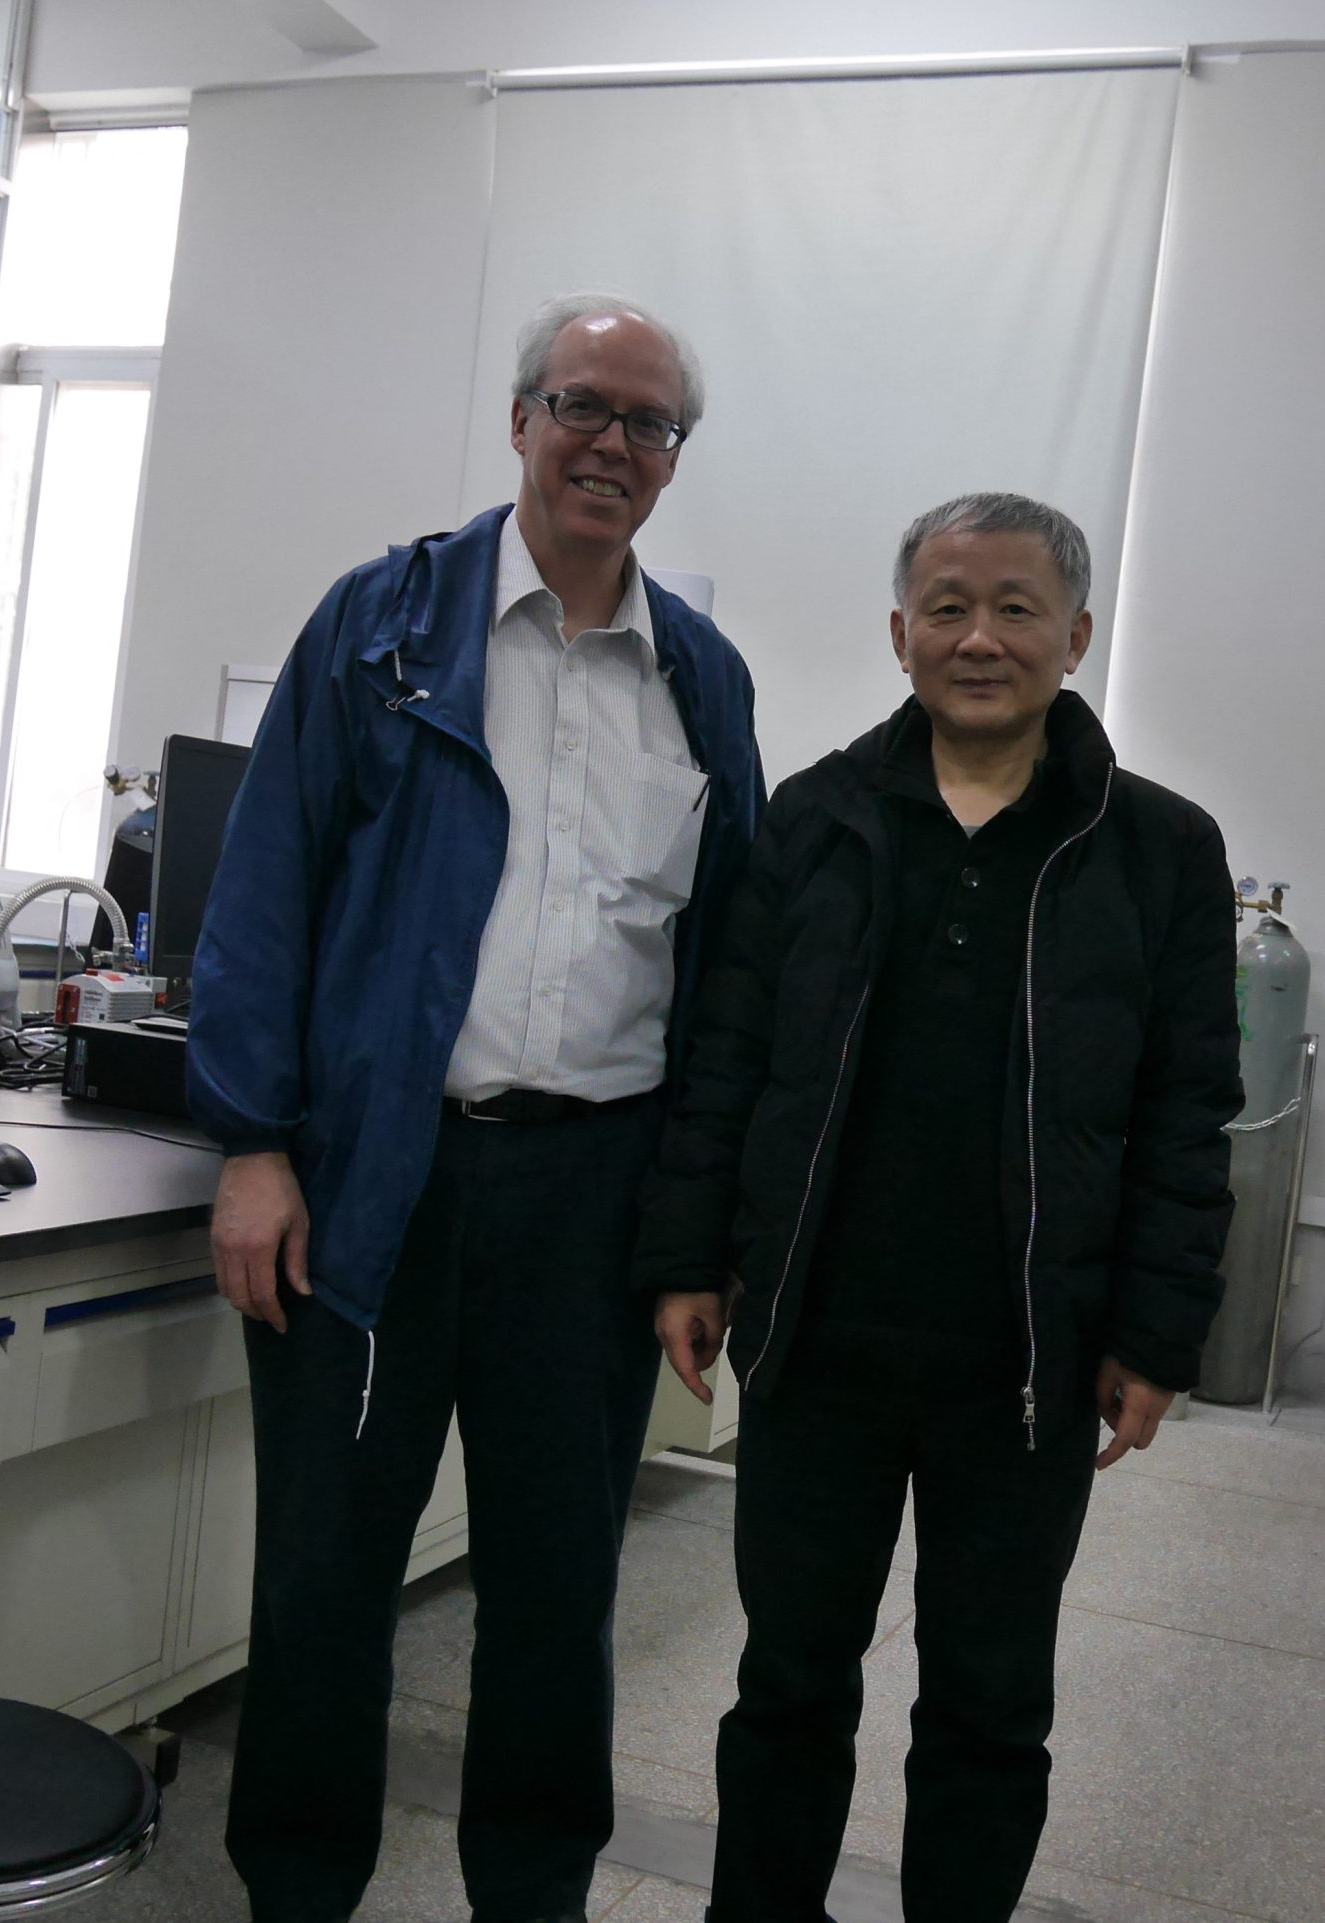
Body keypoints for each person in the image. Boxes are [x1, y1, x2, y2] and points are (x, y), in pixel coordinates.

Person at [188, 292, 763, 1923]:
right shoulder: (379, 629)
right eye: (581, 404)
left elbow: (727, 968)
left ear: (673, 459)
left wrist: (697, 1231)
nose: (611, 443)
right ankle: (298, 1892)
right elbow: (264, 891)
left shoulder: (701, 679)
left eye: (648, 422)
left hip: (593, 1197)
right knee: (326, 1577)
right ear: (520, 420)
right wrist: (252, 1144)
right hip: (376, 1183)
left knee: (557, 1591)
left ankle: (534, 1896)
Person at [637, 492, 1243, 1922]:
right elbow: (729, 1057)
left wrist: (1156, 1335)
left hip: (1026, 1362)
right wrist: (689, 1257)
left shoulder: (1157, 848)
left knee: (988, 1704)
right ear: (900, 632)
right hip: (820, 1346)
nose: (981, 638)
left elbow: (1186, 1112)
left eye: (1017, 608)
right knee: (789, 1683)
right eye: (950, 607)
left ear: (1075, 637)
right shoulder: (817, 818)